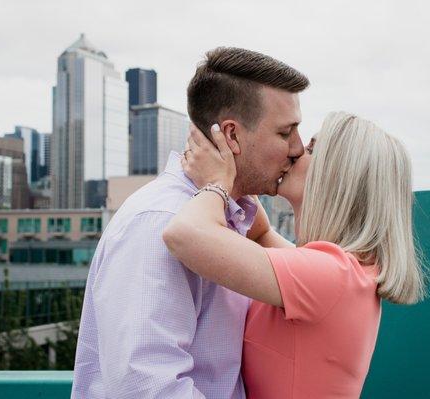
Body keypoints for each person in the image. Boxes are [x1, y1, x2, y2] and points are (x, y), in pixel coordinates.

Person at [71, 47, 309, 398]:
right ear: (231, 136)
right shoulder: (159, 222)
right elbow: (148, 389)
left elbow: (312, 283)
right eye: (285, 132)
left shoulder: (230, 217)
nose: (298, 148)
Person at [163, 112, 426, 398]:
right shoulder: (344, 272)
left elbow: (184, 234)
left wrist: (216, 183)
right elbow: (260, 233)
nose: (296, 151)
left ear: (336, 177)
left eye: (311, 149)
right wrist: (238, 172)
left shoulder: (329, 276)